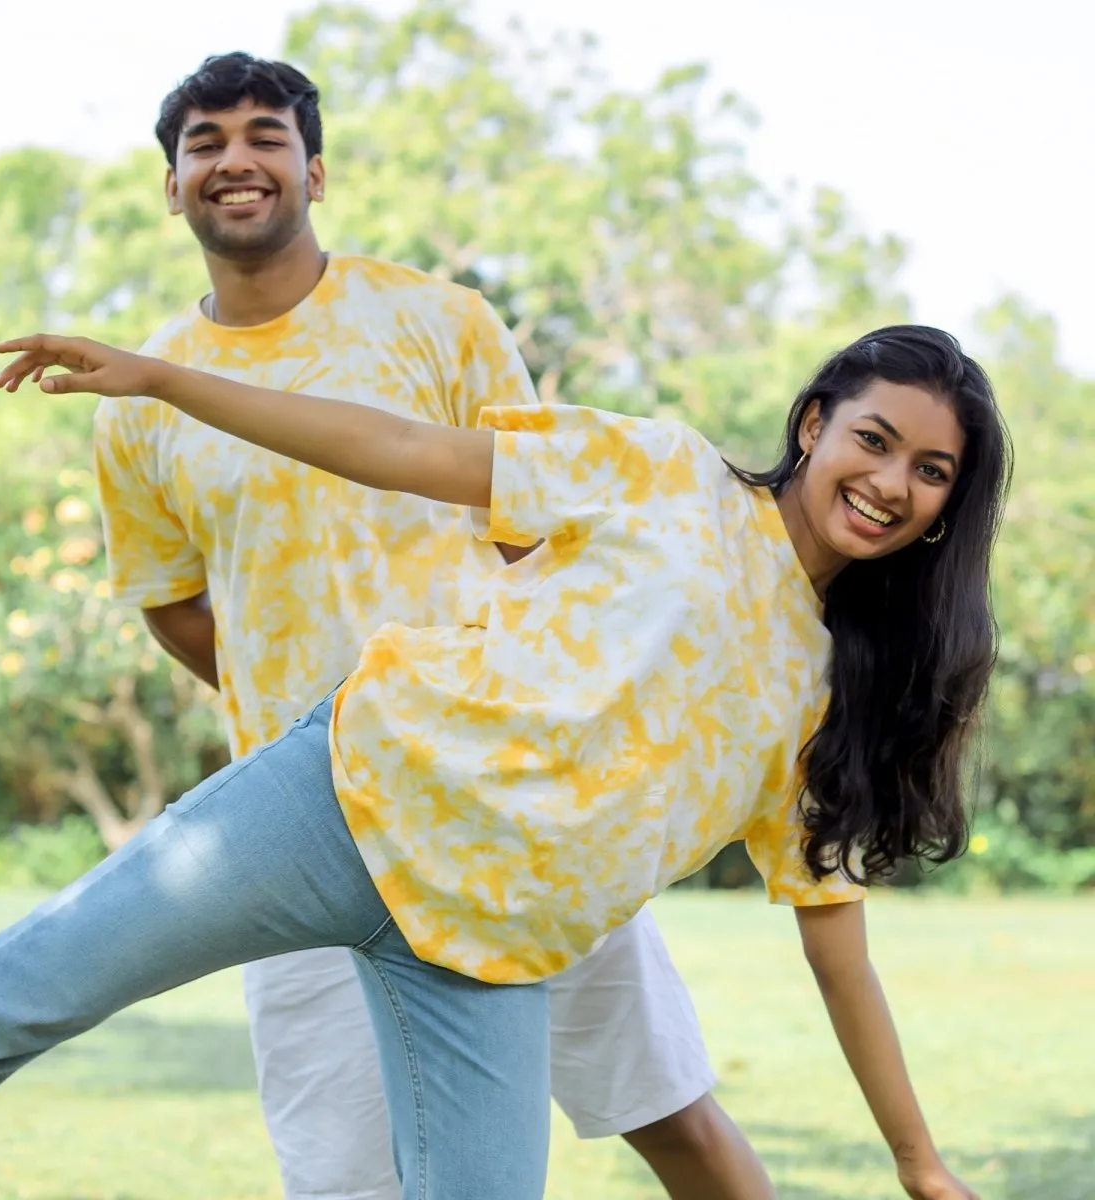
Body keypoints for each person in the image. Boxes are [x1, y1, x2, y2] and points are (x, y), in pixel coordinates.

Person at [0, 321, 1009, 1200]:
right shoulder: (666, 474)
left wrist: (914, 1160)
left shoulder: (836, 699)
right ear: (814, 424)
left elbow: (840, 955)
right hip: (334, 806)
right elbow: (408, 450)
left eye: (931, 470)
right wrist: (166, 379)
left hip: (488, 961)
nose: (892, 482)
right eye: (875, 439)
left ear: (947, 509)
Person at [88, 52, 769, 1200]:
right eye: (204, 143)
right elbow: (175, 605)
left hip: (508, 793)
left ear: (316, 168)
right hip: (301, 829)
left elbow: (538, 543)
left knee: (669, 1114)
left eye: (264, 134)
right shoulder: (143, 400)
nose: (235, 159)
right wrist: (314, 721)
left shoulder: (437, 322)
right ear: (171, 186)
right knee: (345, 1180)